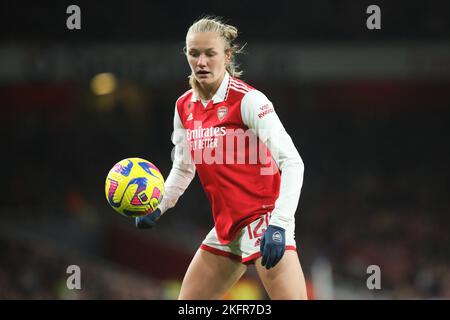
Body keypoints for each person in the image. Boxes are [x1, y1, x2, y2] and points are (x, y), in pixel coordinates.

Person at [136, 16, 308, 300]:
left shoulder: (249, 101)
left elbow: (293, 162)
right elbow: (183, 167)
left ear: (227, 55)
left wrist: (280, 223)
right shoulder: (183, 106)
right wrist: (159, 205)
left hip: (263, 222)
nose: (201, 62)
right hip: (226, 228)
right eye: (194, 53)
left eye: (210, 54)